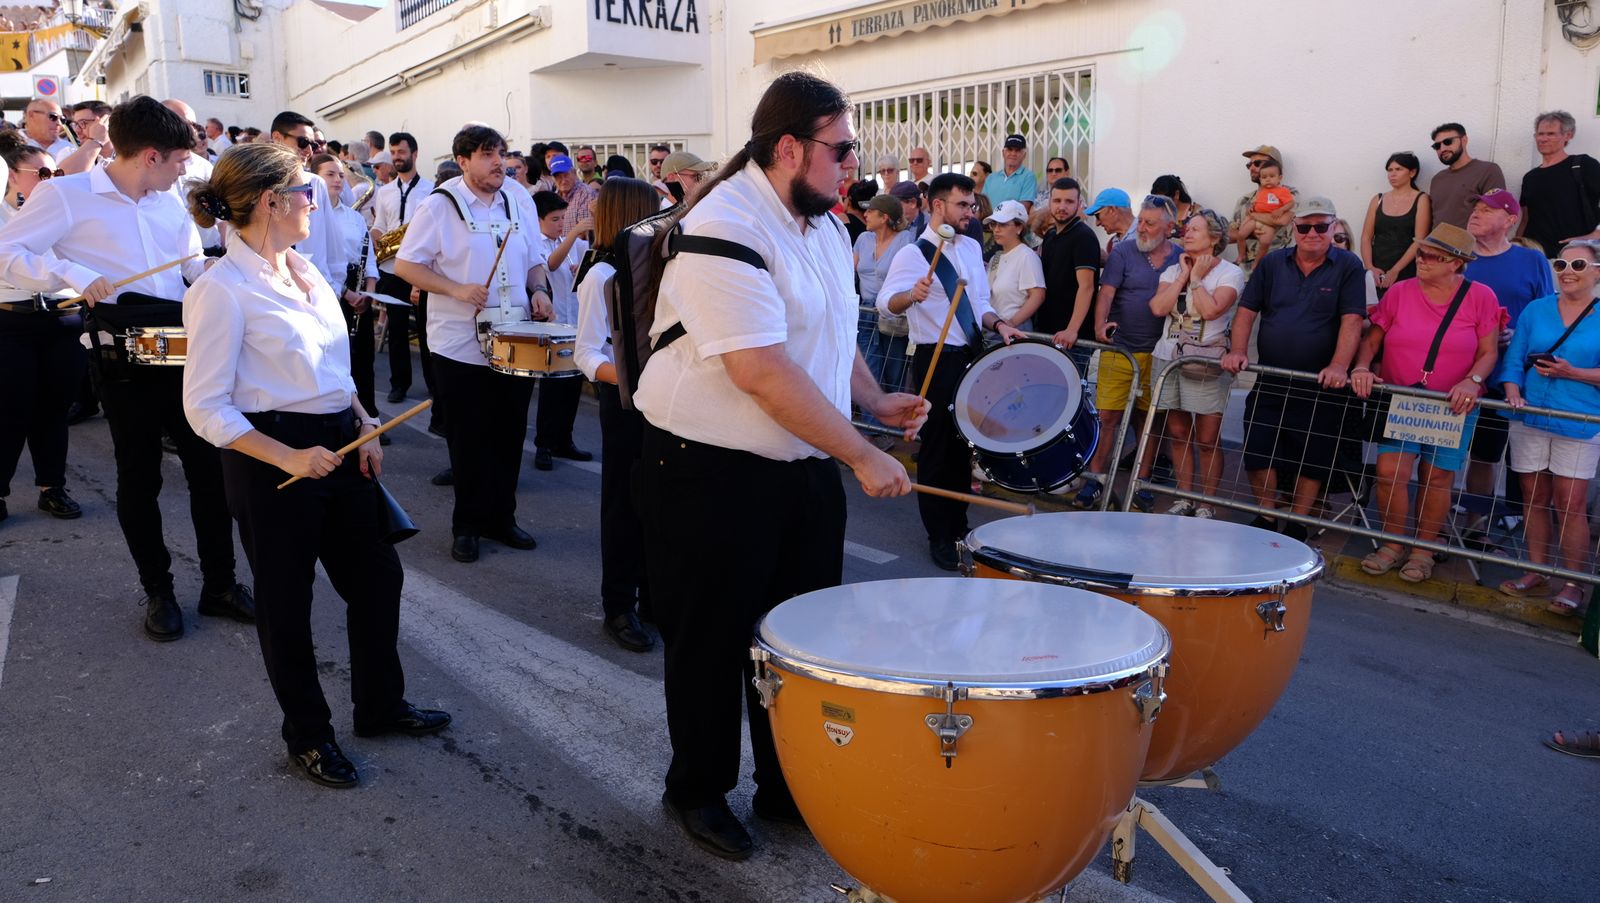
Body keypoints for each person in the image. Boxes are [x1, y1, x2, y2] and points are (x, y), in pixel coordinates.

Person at [634, 72, 927, 860]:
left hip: (799, 468)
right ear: (789, 147)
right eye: (842, 148)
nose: (853, 166)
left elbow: (829, 335)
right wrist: (863, 453)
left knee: (793, 643)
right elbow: (761, 370)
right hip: (708, 471)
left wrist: (876, 401)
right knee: (710, 639)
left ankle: (784, 782)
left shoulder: (823, 225)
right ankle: (696, 788)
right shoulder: (724, 224)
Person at [181, 141, 450, 790]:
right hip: (272, 457)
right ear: (270, 202)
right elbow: (205, 408)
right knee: (286, 604)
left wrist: (361, 420)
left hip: (340, 441)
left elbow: (333, 365)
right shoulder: (222, 289)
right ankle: (308, 733)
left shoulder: (302, 268)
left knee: (378, 578)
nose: (317, 199)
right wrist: (290, 455)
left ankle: (380, 705)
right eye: (306, 191)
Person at [0, 95, 254, 640]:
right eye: (180, 158)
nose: (189, 168)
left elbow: (186, 267)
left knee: (210, 474)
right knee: (139, 477)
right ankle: (158, 590)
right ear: (149, 156)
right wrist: (68, 271)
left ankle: (221, 584)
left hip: (183, 346)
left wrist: (217, 268)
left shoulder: (171, 202)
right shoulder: (65, 195)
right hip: (123, 354)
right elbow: (7, 251)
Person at [395, 125, 552, 563]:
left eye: (500, 153)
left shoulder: (519, 198)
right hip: (459, 344)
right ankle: (467, 526)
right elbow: (407, 265)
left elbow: (535, 260)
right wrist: (455, 289)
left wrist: (540, 291)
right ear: (463, 160)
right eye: (487, 155)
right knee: (469, 439)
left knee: (510, 433)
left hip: (515, 337)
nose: (498, 162)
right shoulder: (439, 206)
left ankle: (502, 518)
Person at [882, 172, 1026, 568]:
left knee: (964, 446)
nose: (971, 211)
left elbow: (979, 302)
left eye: (971, 203)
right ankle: (939, 534)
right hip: (935, 357)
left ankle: (960, 526)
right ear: (938, 205)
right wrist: (910, 296)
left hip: (969, 356)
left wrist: (999, 324)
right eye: (963, 204)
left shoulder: (969, 251)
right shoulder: (914, 255)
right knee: (937, 448)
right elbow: (883, 302)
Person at [1350, 223, 1502, 583]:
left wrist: (1473, 379)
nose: (1421, 259)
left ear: (1455, 263)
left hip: (1452, 404)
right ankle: (1392, 543)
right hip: (1403, 397)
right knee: (1390, 473)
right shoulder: (1400, 292)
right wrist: (1360, 366)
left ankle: (1423, 551)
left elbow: (1488, 352)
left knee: (1437, 478)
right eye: (1420, 252)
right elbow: (1373, 341)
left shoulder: (1481, 297)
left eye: (1432, 255)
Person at [1222, 196, 1367, 540]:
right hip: (1271, 378)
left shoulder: (1349, 265)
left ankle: (1300, 520)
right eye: (1304, 226)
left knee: (1313, 457)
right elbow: (1246, 312)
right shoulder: (1272, 263)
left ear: (1333, 227)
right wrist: (1238, 350)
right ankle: (1267, 516)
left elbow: (1352, 320)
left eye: (1321, 226)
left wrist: (1339, 365)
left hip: (1320, 384)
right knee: (1258, 451)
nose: (1312, 233)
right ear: (1294, 228)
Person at [572, 177, 662, 653]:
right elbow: (585, 352)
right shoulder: (600, 275)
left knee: (657, 502)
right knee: (623, 505)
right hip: (626, 403)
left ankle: (654, 598)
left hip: (663, 403)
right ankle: (618, 606)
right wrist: (631, 380)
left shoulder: (660, 267)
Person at [1498, 240, 1600, 614]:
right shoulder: (1536, 309)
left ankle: (1573, 583)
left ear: (1597, 272)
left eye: (1577, 264)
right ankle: (1535, 570)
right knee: (1533, 498)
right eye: (1560, 264)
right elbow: (1514, 358)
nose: (1567, 271)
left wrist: (1573, 372)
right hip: (1531, 415)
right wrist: (1511, 390)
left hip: (1581, 420)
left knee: (1570, 504)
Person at [1073, 195, 1183, 512]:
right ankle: (1095, 480)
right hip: (1119, 348)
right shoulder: (1123, 251)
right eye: (1142, 221)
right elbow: (1105, 292)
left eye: (1150, 223)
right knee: (1107, 416)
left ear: (1169, 227)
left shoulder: (1181, 256)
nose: (1142, 228)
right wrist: (1099, 325)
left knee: (1149, 421)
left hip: (1160, 352)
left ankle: (1142, 483)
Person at [1461, 189, 1555, 538]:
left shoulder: (1532, 262)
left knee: (1488, 453)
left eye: (1488, 210)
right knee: (1442, 453)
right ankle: (1432, 530)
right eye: (1476, 208)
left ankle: (1476, 528)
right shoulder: (1458, 257)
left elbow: (1547, 317)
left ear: (1510, 220)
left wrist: (1519, 336)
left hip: (1507, 376)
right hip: (1456, 374)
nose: (1477, 214)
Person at [0, 131, 81, 527]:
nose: (53, 180)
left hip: (60, 317)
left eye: (57, 173)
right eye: (44, 173)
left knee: (53, 408)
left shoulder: (61, 210)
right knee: (10, 409)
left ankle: (53, 487)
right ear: (13, 175)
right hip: (11, 319)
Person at [1148, 209, 1244, 518]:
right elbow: (1158, 308)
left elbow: (1213, 311)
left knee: (1206, 437)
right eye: (1187, 229)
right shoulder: (1173, 269)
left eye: (1195, 230)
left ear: (1215, 239)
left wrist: (1199, 279)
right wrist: (1183, 277)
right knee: (1178, 432)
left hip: (1205, 361)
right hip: (1168, 355)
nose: (1186, 234)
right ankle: (1185, 496)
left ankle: (1207, 503)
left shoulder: (1230, 273)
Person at [309, 153, 381, 425]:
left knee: (363, 360)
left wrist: (369, 291)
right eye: (330, 174)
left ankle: (370, 418)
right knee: (337, 360)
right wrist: (345, 293)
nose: (338, 179)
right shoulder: (311, 216)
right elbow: (315, 262)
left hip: (358, 294)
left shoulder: (354, 217)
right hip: (329, 294)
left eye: (340, 174)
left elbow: (369, 257)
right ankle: (344, 418)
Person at [529, 189, 593, 471]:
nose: (561, 224)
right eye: (555, 219)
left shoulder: (573, 246)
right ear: (539, 220)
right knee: (552, 389)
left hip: (575, 322)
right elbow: (551, 263)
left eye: (563, 218)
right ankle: (543, 444)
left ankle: (564, 440)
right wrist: (571, 236)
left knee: (571, 387)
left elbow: (587, 262)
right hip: (552, 326)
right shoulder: (537, 244)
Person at [370, 132, 434, 407]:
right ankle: (399, 384)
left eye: (402, 152)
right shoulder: (384, 192)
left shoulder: (431, 190)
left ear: (415, 154)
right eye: (393, 152)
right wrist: (376, 236)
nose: (397, 157)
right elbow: (380, 225)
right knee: (396, 330)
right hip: (391, 268)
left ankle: (435, 385)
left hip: (422, 269)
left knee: (427, 329)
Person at [1519, 111, 1600, 258]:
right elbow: (1526, 219)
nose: (1543, 139)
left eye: (1551, 134)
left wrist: (1596, 234)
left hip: (1574, 259)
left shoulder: (1583, 165)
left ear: (1568, 135)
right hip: (1535, 257)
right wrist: (1516, 247)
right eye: (1540, 134)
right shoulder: (1530, 177)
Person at [1040, 177, 1103, 366]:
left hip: (1073, 339)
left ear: (1079, 204)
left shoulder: (1084, 237)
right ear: (1049, 202)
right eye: (1057, 200)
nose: (1062, 206)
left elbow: (1087, 287)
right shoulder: (1050, 236)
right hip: (1048, 332)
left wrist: (1072, 330)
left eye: (1069, 201)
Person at [854, 193, 911, 396]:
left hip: (893, 311)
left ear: (884, 217)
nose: (865, 214)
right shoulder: (863, 239)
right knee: (869, 370)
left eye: (870, 211)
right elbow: (848, 271)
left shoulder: (906, 239)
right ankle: (871, 426)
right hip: (866, 311)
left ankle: (894, 423)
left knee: (894, 371)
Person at [1361, 152, 1431, 294]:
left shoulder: (1421, 199)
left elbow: (1420, 240)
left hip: (1407, 268)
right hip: (1377, 269)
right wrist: (1369, 267)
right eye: (1390, 170)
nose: (1392, 174)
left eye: (1398, 169)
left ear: (1412, 172)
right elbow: (1366, 237)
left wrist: (1396, 270)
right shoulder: (1378, 199)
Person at [1229, 145, 1297, 274]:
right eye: (1249, 165)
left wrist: (1253, 217)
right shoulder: (1244, 200)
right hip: (1244, 272)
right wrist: (1252, 232)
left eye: (1257, 163)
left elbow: (1282, 220)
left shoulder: (1289, 193)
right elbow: (1229, 234)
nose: (1252, 168)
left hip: (1277, 268)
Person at [1427, 122, 1506, 230]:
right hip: (1436, 245)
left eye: (1448, 142)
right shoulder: (1437, 179)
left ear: (1464, 140)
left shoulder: (1488, 171)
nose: (1442, 148)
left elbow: (1497, 215)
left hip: (1470, 246)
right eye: (1437, 146)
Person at [984, 199, 1045, 332]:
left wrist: (1011, 322)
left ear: (1019, 227)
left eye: (1003, 224)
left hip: (1015, 331)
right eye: (993, 224)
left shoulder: (1026, 256)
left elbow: (1038, 295)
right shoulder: (996, 257)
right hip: (994, 330)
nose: (996, 229)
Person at [1236, 160, 1292, 266]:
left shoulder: (1283, 191)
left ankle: (1257, 262)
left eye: (1272, 176)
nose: (1268, 179)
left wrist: (1281, 210)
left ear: (1279, 178)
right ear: (1260, 179)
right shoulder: (1261, 191)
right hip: (1254, 220)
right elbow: (1258, 204)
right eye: (1264, 177)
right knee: (1241, 235)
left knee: (1265, 242)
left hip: (1268, 224)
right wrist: (1252, 209)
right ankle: (1241, 254)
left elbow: (1290, 203)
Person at [986, 133, 1036, 211]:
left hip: (1010, 223)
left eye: (1017, 150)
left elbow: (1023, 208)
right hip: (987, 222)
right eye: (1010, 149)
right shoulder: (991, 178)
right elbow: (983, 205)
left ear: (1024, 155)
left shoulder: (1028, 177)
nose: (1013, 153)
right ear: (1003, 153)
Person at [1086, 187, 1134, 262]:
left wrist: (1108, 260)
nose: (1097, 223)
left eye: (1097, 215)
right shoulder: (1113, 242)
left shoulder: (1146, 235)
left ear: (1112, 210)